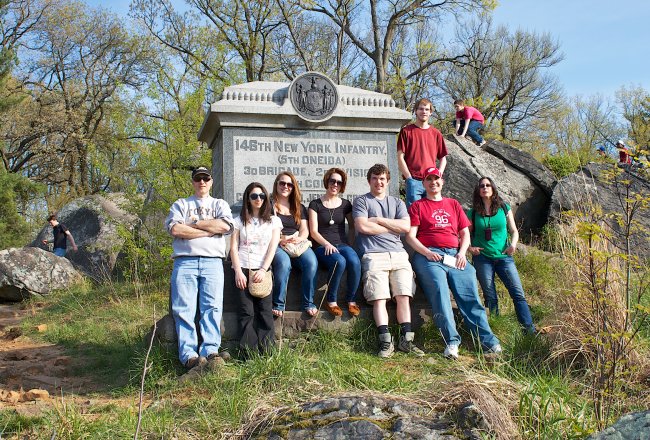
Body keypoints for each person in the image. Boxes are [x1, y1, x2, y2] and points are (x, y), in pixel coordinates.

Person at [406, 166, 501, 359]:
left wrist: (462, 253)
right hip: (429, 257)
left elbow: (464, 233)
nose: (433, 182)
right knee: (440, 291)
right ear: (424, 183)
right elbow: (410, 236)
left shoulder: (453, 204)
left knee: (470, 294)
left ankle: (488, 341)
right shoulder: (418, 206)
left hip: (454, 255)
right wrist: (426, 252)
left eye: (437, 179)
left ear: (442, 181)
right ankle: (452, 342)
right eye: (429, 179)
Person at [165, 166, 234, 379]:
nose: (201, 182)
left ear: (211, 181)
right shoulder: (181, 204)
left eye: (205, 178)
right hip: (184, 262)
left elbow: (224, 227)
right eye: (198, 179)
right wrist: (207, 230)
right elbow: (175, 229)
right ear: (193, 182)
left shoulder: (219, 204)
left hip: (213, 262)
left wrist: (193, 224)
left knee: (212, 307)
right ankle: (189, 355)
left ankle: (210, 351)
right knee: (184, 309)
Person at [353, 163, 424, 358]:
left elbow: (406, 227)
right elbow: (363, 228)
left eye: (382, 178)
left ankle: (406, 340)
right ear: (369, 181)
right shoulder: (361, 201)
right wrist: (393, 227)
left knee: (404, 294)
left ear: (388, 181)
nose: (379, 182)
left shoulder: (398, 203)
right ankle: (385, 341)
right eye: (375, 178)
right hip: (374, 255)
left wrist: (378, 220)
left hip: (399, 254)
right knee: (379, 297)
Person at [467, 177, 536, 334]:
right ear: (478, 190)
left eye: (488, 185)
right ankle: (497, 329)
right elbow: (464, 234)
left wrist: (513, 245)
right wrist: (470, 248)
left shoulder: (504, 208)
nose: (485, 188)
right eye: (482, 186)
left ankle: (529, 329)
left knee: (518, 294)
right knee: (490, 296)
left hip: (504, 258)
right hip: (482, 259)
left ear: (493, 188)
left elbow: (514, 230)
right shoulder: (472, 212)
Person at [230, 182, 282, 356]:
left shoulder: (273, 221)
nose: (258, 199)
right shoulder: (238, 221)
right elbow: (233, 248)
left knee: (265, 312)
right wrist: (238, 271)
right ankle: (249, 354)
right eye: (254, 196)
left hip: (263, 271)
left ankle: (268, 352)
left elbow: (273, 247)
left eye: (261, 196)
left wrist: (263, 269)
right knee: (247, 313)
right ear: (248, 199)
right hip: (243, 268)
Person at [308, 168, 361, 317]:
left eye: (339, 182)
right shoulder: (315, 204)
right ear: (327, 181)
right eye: (332, 181)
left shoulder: (345, 204)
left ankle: (351, 300)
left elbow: (351, 226)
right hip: (321, 247)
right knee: (339, 261)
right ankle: (331, 301)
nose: (335, 184)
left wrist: (350, 245)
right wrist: (326, 244)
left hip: (342, 244)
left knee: (355, 261)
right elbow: (313, 232)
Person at [271, 171, 319, 317]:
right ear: (276, 185)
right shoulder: (269, 205)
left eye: (289, 184)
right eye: (282, 183)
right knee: (284, 264)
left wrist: (300, 238)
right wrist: (281, 240)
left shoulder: (299, 207)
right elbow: (265, 229)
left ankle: (308, 303)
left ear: (294, 187)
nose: (286, 186)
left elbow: (304, 229)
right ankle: (278, 304)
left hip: (297, 244)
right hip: (278, 243)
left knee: (311, 262)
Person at [397, 98, 448, 207]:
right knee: (414, 215)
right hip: (414, 180)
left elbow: (443, 158)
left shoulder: (436, 133)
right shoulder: (406, 131)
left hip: (431, 181)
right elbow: (400, 157)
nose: (423, 111)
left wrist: (438, 175)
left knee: (432, 212)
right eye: (420, 109)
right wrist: (409, 178)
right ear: (415, 111)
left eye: (426, 109)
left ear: (430, 112)